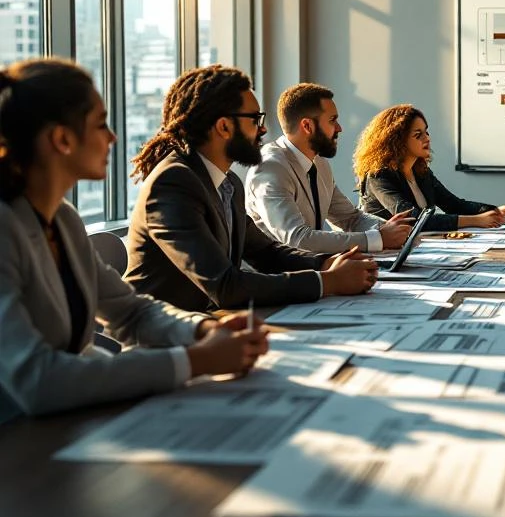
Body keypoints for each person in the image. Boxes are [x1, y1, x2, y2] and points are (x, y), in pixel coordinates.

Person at [0, 59, 268, 422]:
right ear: (62, 139)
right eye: (100, 123)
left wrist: (204, 329)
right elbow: (37, 380)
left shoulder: (63, 219)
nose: (112, 137)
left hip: (66, 424)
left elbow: (132, 311)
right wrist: (194, 360)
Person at [125, 65, 377, 312]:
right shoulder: (173, 183)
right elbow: (224, 286)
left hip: (206, 324)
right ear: (224, 127)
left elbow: (266, 252)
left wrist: (326, 263)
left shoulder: (228, 183)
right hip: (160, 340)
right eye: (255, 119)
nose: (264, 129)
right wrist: (328, 281)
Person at [246, 83, 413, 253]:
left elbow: (350, 218)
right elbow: (297, 238)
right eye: (333, 120)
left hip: (314, 268)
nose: (339, 128)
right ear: (307, 126)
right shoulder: (270, 169)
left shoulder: (319, 163)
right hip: (280, 275)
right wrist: (378, 238)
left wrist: (396, 230)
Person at [355, 104, 505, 231]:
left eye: (426, 132)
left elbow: (453, 204)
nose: (427, 138)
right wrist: (477, 220)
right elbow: (412, 218)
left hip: (417, 247)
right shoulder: (378, 176)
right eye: (418, 135)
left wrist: (495, 211)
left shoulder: (421, 172)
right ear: (397, 142)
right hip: (382, 253)